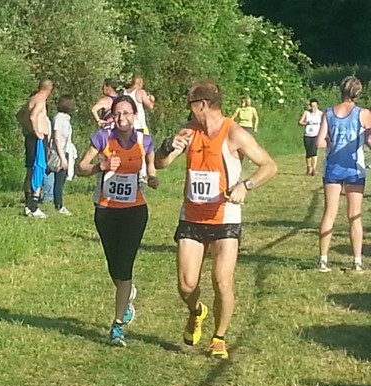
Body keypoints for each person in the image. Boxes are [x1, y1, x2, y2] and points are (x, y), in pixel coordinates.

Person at [155, 81, 277, 359]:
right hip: (192, 218)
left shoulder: (234, 133)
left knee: (222, 281)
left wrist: (245, 186)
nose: (190, 111)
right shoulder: (188, 131)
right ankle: (196, 311)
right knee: (186, 285)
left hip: (225, 218)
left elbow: (269, 165)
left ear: (203, 105)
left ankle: (219, 338)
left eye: (191, 105)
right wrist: (166, 147)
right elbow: (161, 164)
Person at [77, 95, 159, 347]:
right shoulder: (102, 138)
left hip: (135, 211)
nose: (122, 118)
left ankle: (117, 327)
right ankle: (127, 294)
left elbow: (152, 169)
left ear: (134, 115)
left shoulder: (145, 141)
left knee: (125, 265)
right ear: (113, 116)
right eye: (118, 114)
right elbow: (80, 167)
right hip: (106, 210)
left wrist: (153, 179)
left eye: (127, 113)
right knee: (114, 267)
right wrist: (100, 166)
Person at [316, 76, 371, 273]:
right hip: (354, 169)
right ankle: (357, 261)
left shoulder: (329, 113)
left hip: (332, 168)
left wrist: (332, 141)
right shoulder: (363, 113)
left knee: (329, 213)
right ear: (358, 92)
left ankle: (323, 260)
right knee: (354, 216)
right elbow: (369, 140)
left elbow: (319, 143)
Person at [16, 79, 54, 218]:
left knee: (30, 169)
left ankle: (28, 205)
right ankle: (33, 207)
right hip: (38, 139)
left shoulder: (31, 99)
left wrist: (26, 128)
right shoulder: (41, 100)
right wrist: (36, 131)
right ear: (49, 89)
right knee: (39, 168)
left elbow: (19, 115)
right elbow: (33, 117)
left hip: (30, 138)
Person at [51, 94, 77, 215]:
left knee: (61, 179)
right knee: (59, 180)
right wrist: (63, 158)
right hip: (58, 152)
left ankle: (58, 203)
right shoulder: (59, 118)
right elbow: (57, 137)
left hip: (65, 150)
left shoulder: (66, 119)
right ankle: (58, 205)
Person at [298, 98, 323, 176]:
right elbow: (300, 122)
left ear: (317, 106)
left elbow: (324, 124)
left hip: (316, 135)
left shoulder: (320, 114)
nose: (313, 108)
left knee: (314, 152)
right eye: (312, 106)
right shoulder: (306, 113)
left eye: (315, 106)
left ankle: (314, 168)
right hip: (307, 135)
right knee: (308, 152)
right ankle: (309, 167)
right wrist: (307, 123)